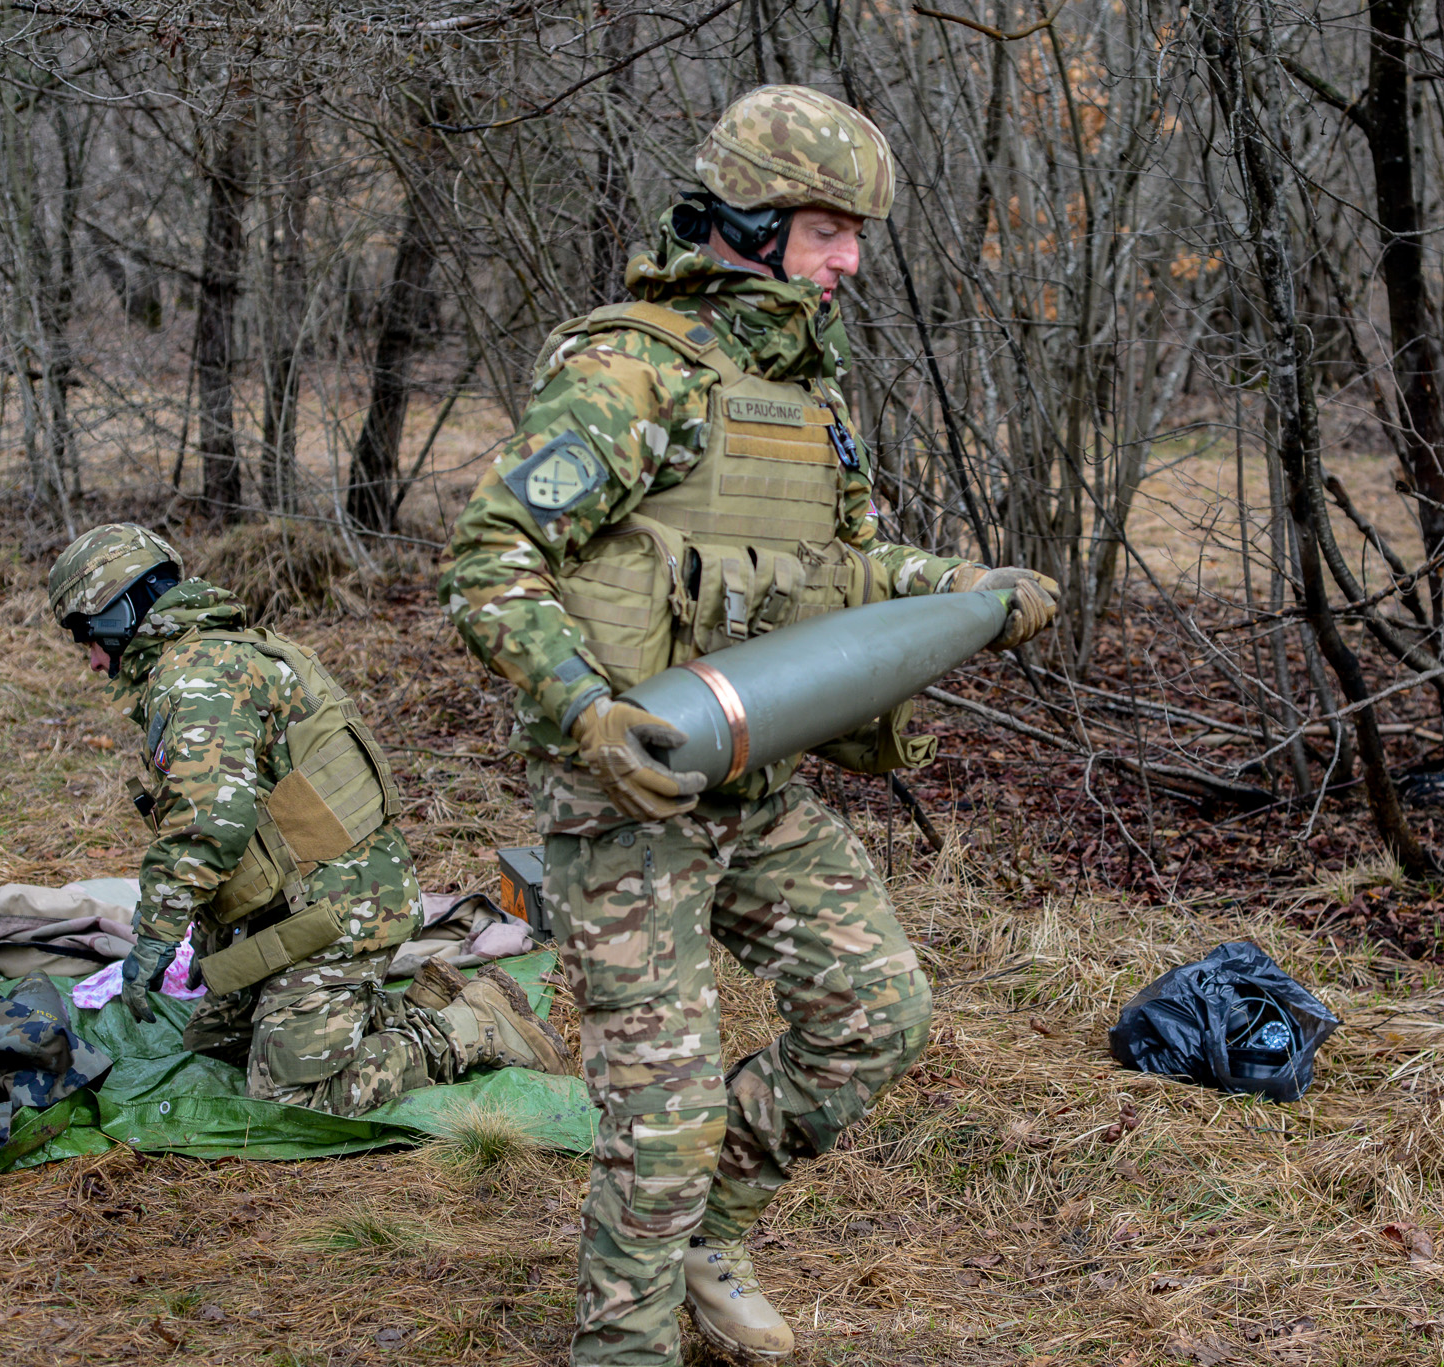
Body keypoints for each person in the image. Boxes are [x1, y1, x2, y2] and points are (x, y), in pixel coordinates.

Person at [440, 85, 1057, 1364]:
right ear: (751, 220)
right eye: (828, 231)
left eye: (855, 236)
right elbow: (490, 558)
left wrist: (962, 588)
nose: (848, 263)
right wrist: (585, 712)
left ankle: (704, 1234)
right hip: (628, 797)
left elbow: (850, 567)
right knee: (660, 1114)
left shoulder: (806, 392)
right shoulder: (630, 370)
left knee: (876, 1011)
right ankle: (625, 1343)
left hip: (759, 782)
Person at [47, 523, 569, 1118]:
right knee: (216, 1043)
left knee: (292, 1095)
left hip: (341, 913)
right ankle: (405, 1007)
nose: (93, 659)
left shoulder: (199, 676)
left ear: (122, 613)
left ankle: (474, 1026)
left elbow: (207, 824)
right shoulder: (210, 656)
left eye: (89, 635)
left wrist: (156, 937)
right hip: (299, 904)